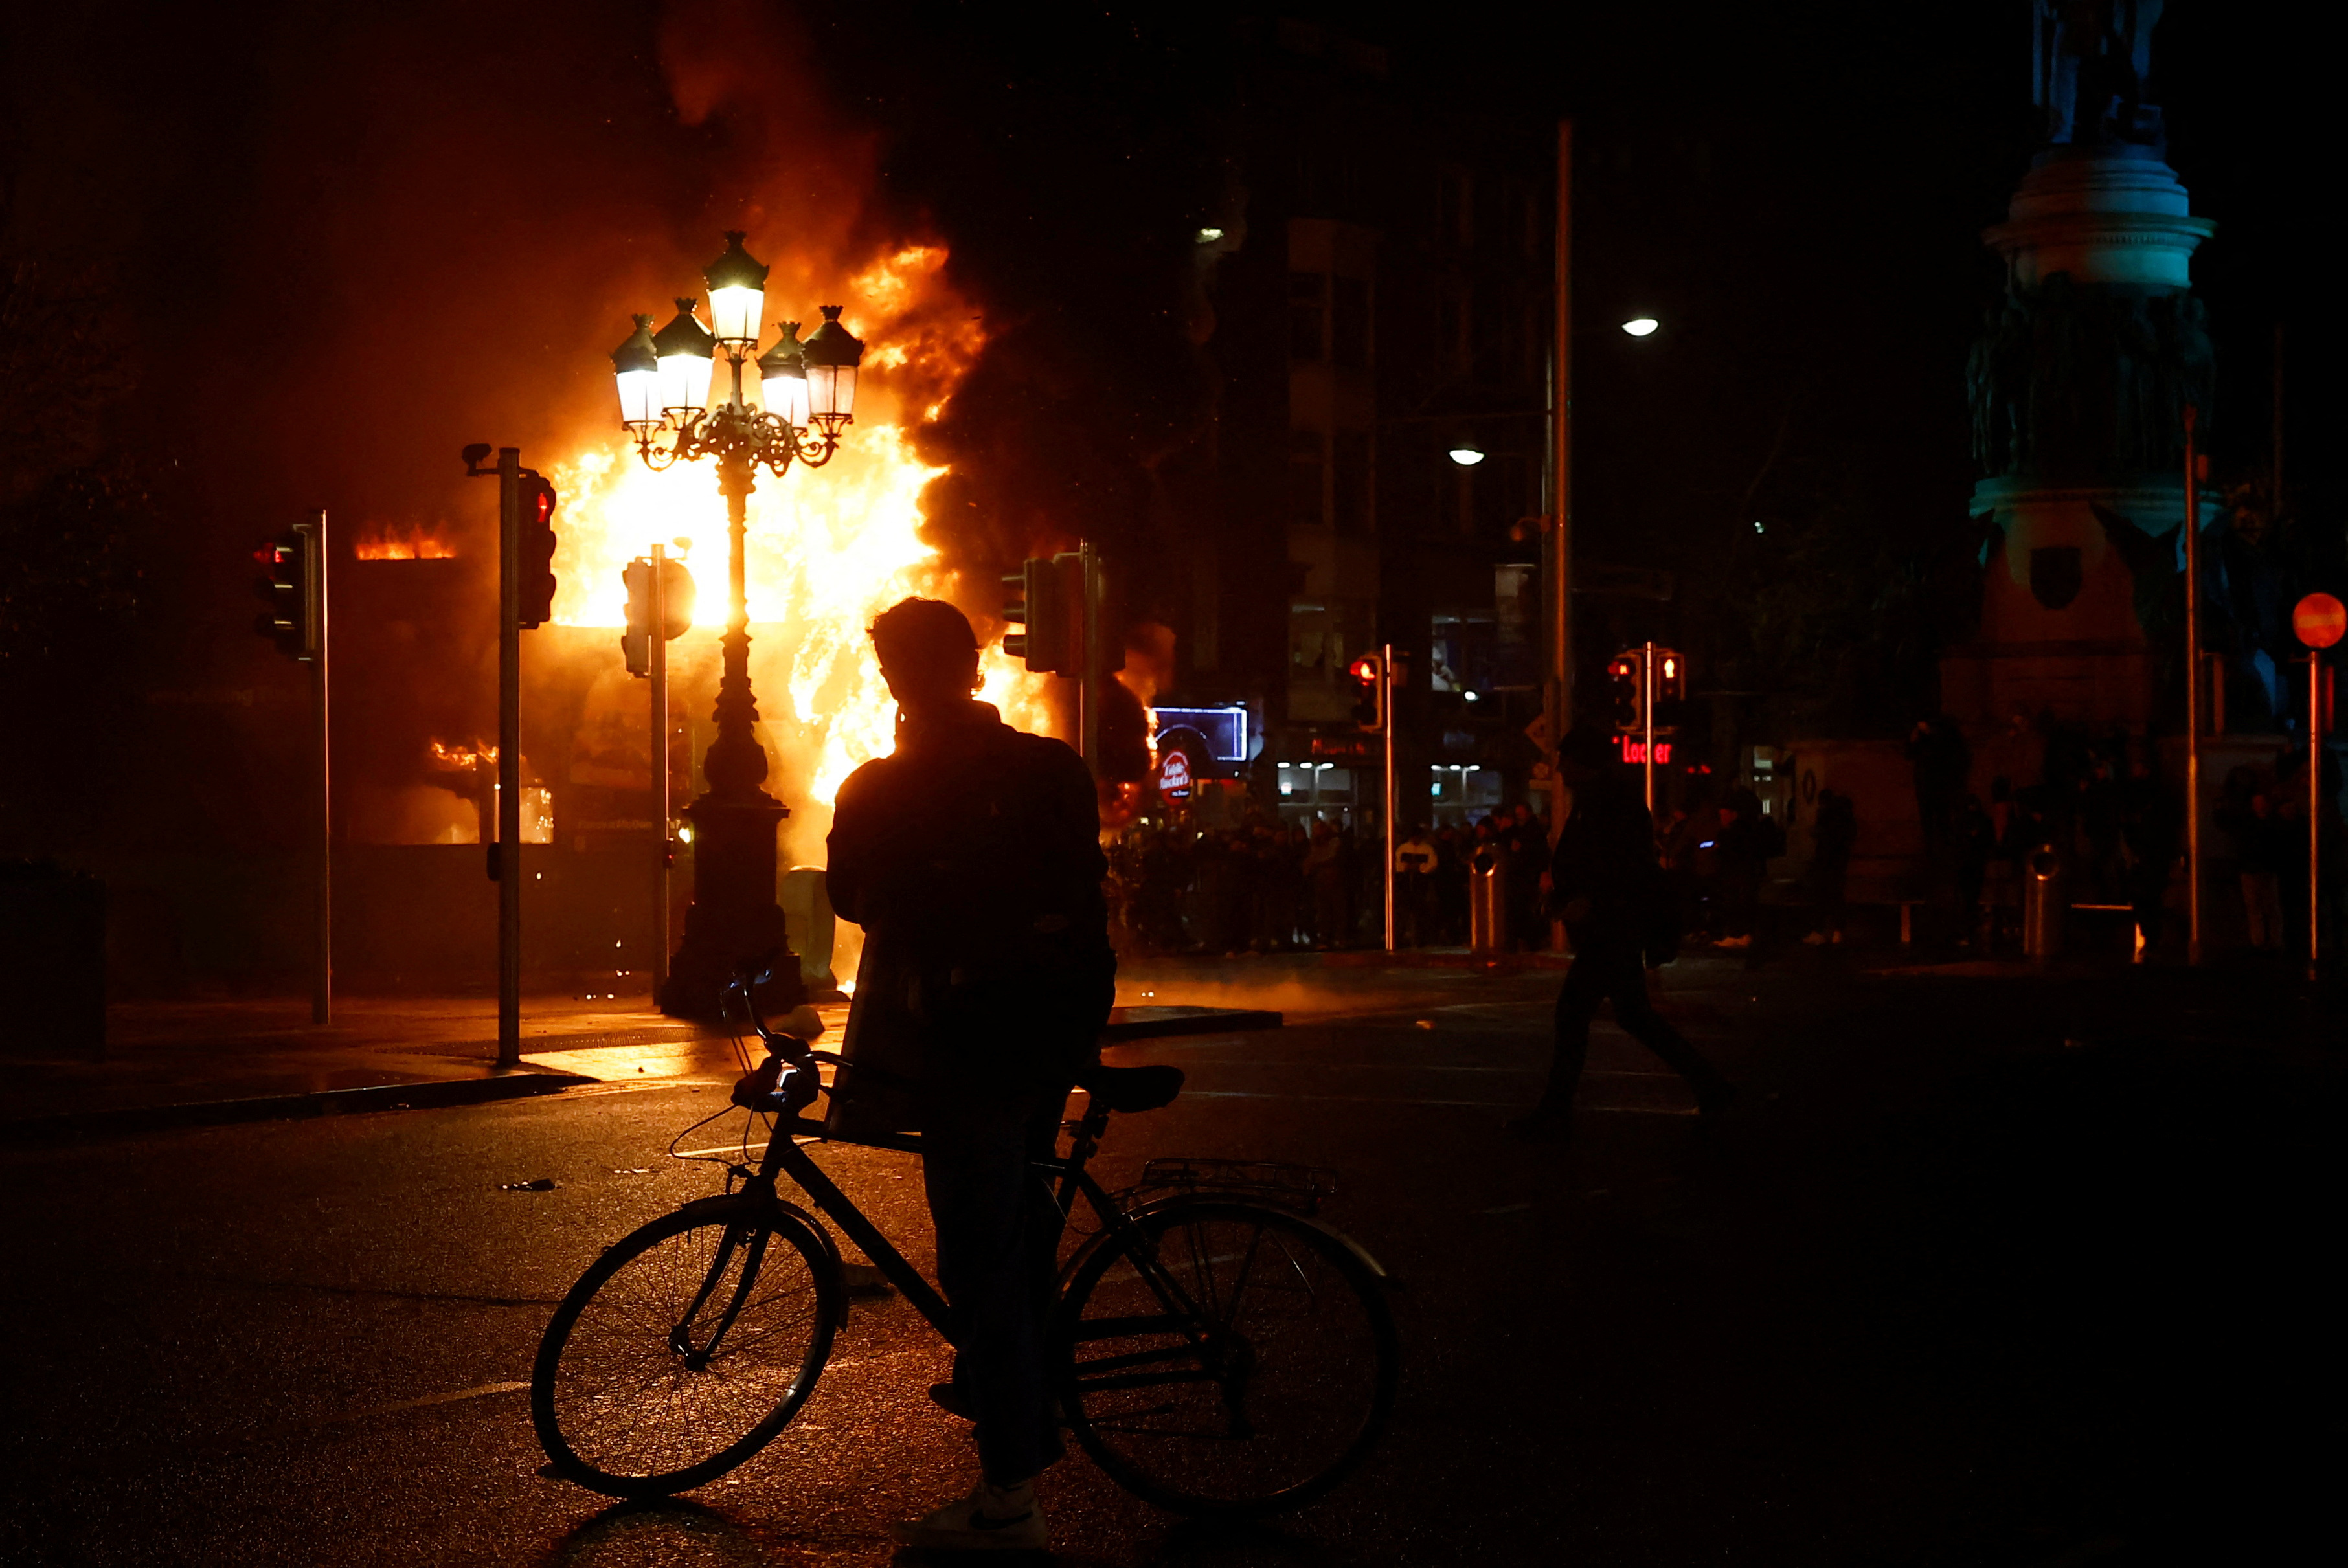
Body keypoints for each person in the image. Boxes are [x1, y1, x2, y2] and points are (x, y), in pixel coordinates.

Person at [824, 598, 1114, 1554]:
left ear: (894, 679)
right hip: (1058, 1026)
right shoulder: (1050, 766)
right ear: (977, 665)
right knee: (1019, 1237)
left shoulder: (887, 784)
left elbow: (854, 898)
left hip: (969, 1040)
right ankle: (1021, 1386)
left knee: (980, 1255)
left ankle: (1011, 1492)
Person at [1507, 728, 1733, 1143]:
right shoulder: (1602, 800)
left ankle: (1555, 1110)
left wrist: (1588, 899)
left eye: (1565, 761)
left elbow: (1619, 865)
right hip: (1610, 924)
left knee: (1573, 1013)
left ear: (1582, 763)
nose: (1559, 769)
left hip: (1610, 927)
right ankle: (1711, 1084)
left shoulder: (1608, 802)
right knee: (1633, 1015)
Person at [1804, 788, 1857, 944]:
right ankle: (1838, 931)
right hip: (1839, 863)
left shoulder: (1827, 817)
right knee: (1837, 896)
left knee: (1821, 897)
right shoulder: (1846, 821)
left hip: (1826, 863)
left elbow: (1823, 838)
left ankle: (1819, 931)